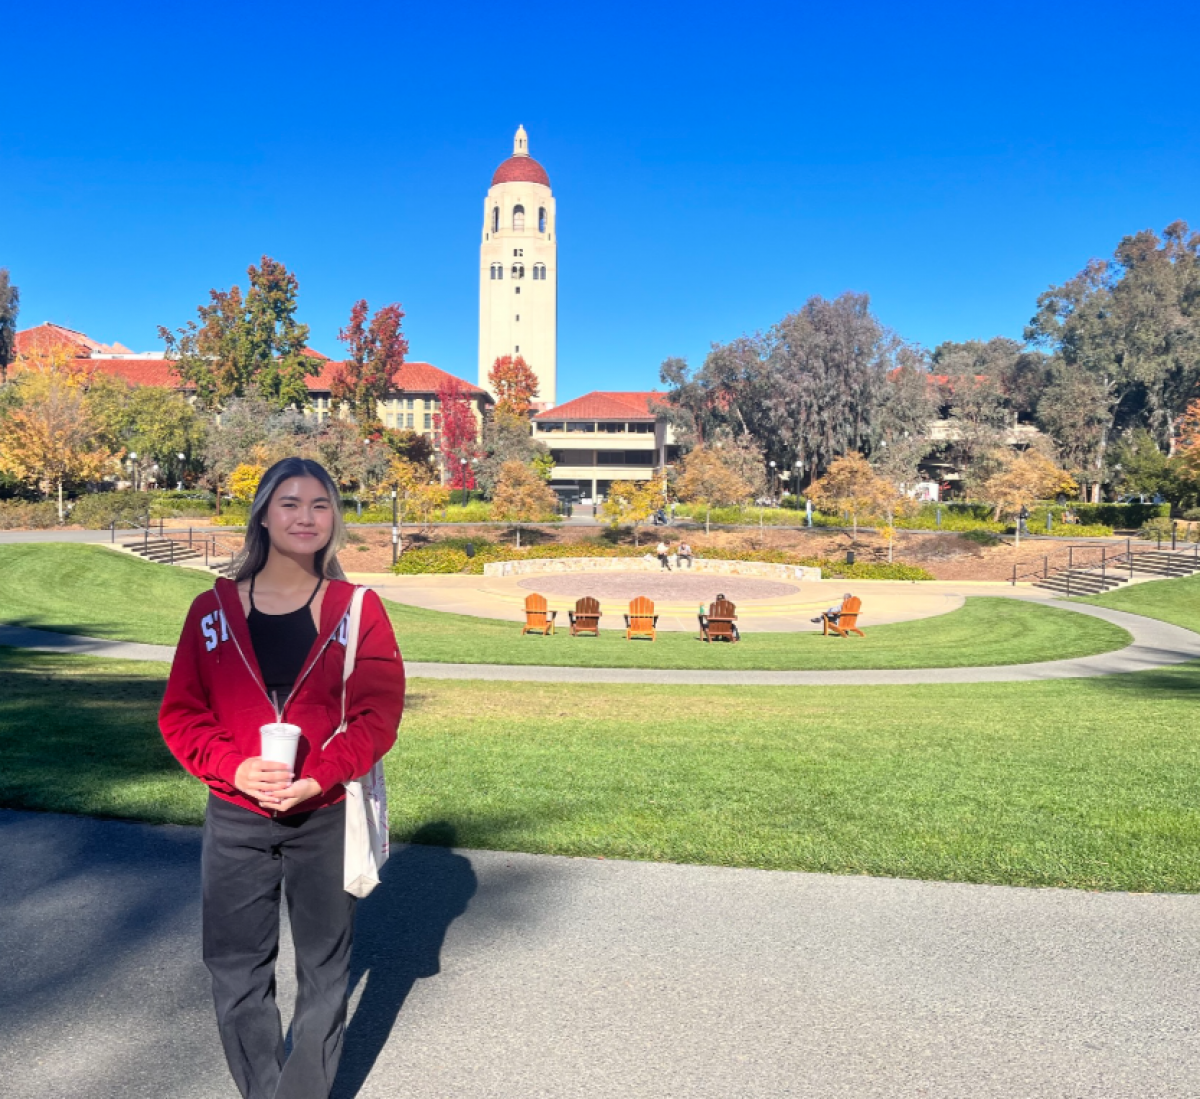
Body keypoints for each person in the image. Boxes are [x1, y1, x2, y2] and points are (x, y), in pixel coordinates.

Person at [159, 457, 406, 1099]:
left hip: (322, 813)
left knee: (326, 972)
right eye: (290, 503)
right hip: (235, 814)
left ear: (335, 520)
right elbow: (182, 714)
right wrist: (234, 767)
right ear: (264, 514)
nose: (306, 517)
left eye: (320, 505)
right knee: (236, 969)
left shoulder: (358, 610)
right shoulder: (210, 611)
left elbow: (378, 715)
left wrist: (319, 774)